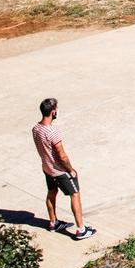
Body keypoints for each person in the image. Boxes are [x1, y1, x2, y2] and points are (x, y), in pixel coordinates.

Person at [32, 98, 95, 240]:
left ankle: (53, 222)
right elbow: (62, 156)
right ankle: (81, 229)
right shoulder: (53, 132)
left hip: (47, 168)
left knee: (51, 193)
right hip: (59, 171)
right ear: (53, 112)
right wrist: (70, 170)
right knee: (75, 194)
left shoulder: (36, 128)